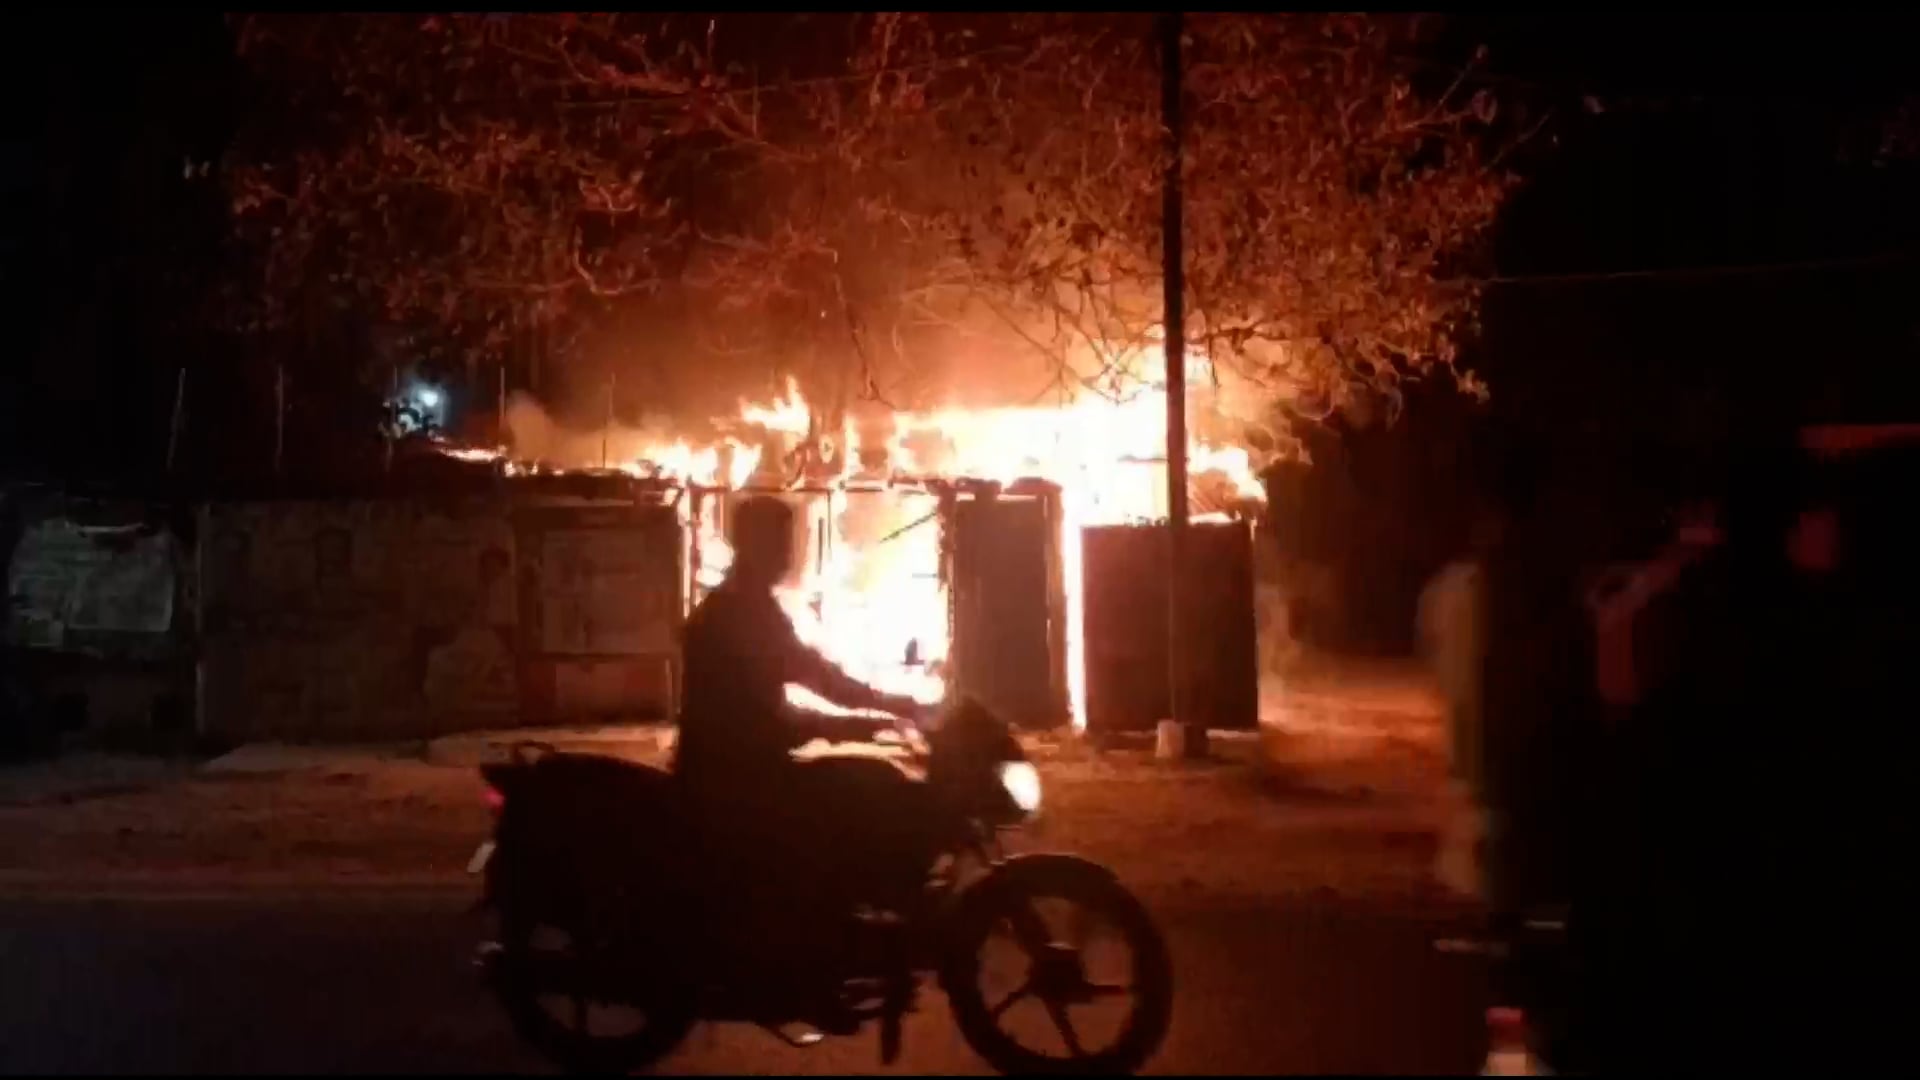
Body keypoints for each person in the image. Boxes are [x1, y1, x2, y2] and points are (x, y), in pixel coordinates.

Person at [672, 494, 926, 1019]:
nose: (789, 554)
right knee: (833, 819)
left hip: (747, 763)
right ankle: (808, 966)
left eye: (788, 542)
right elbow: (803, 685)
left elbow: (807, 676)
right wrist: (875, 713)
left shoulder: (753, 605)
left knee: (846, 789)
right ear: (752, 544)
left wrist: (877, 710)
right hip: (732, 775)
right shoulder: (736, 612)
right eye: (779, 541)